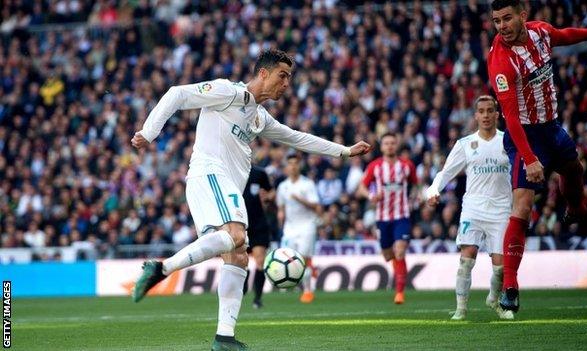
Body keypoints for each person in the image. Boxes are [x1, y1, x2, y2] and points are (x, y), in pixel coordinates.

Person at [130, 49, 371, 351]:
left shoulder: (260, 118)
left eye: (290, 78)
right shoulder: (228, 92)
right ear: (262, 73)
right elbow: (177, 94)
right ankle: (161, 269)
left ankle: (224, 338)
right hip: (210, 176)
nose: (286, 84)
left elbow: (298, 138)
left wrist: (345, 150)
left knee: (238, 254)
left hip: (225, 186)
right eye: (282, 76)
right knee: (235, 235)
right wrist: (149, 133)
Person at [487, 0, 587, 312]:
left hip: (552, 126)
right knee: (523, 204)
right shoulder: (501, 61)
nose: (501, 26)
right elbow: (512, 119)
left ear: (523, 14)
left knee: (574, 170)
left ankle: (576, 210)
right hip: (524, 136)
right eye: (496, 21)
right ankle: (510, 288)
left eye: (506, 19)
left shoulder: (541, 33)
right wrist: (530, 158)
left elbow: (566, 34)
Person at [425, 95, 513, 320]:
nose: (485, 115)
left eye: (489, 110)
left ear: (497, 114)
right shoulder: (465, 144)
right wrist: (433, 190)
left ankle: (493, 299)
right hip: (473, 208)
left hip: (501, 208)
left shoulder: (509, 141)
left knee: (501, 267)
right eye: (481, 111)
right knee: (466, 259)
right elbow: (445, 172)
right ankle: (461, 309)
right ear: (475, 115)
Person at [357, 132, 417, 304]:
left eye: (392, 142)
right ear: (382, 147)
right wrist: (370, 196)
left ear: (396, 145)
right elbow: (361, 187)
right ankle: (398, 272)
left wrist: (420, 195)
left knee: (399, 250)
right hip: (382, 218)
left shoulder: (407, 165)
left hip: (402, 216)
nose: (390, 146)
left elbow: (416, 183)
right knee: (388, 255)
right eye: (386, 143)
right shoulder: (375, 166)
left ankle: (399, 293)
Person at [276, 153, 321, 303]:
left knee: (304, 258)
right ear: (287, 167)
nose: (293, 166)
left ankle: (308, 291)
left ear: (299, 165)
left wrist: (300, 199)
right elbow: (281, 206)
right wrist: (281, 216)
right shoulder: (283, 186)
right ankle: (289, 284)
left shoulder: (307, 184)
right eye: (290, 163)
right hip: (290, 228)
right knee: (287, 258)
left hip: (307, 226)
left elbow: (316, 206)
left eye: (296, 163)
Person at [242, 165, 274, 309]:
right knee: (242, 262)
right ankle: (242, 289)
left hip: (258, 224)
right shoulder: (231, 171)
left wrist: (267, 197)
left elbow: (271, 192)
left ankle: (257, 298)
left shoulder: (259, 173)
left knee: (260, 260)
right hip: (240, 224)